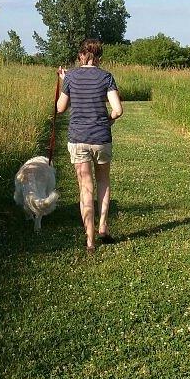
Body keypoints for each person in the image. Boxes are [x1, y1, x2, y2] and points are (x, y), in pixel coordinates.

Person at [56, 38, 123, 252]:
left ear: (81, 55)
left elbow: (60, 108)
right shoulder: (106, 77)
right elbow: (118, 109)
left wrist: (64, 81)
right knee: (103, 181)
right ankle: (103, 225)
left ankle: (90, 238)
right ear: (99, 57)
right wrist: (109, 119)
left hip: (78, 138)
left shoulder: (71, 77)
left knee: (85, 186)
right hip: (101, 137)